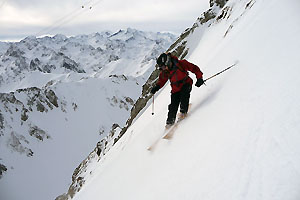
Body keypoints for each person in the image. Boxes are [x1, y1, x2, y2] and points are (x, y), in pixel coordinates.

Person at [150, 52, 204, 128]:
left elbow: (194, 68)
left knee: (184, 97)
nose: (162, 69)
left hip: (186, 83)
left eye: (163, 67)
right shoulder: (165, 72)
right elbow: (162, 80)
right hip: (175, 89)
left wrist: (199, 78)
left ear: (168, 62)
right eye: (161, 68)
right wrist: (157, 87)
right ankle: (169, 123)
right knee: (173, 106)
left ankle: (183, 113)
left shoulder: (181, 64)